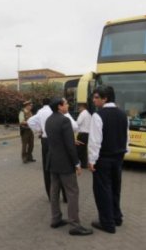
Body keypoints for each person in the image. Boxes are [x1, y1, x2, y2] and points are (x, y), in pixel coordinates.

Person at [45, 98, 93, 236]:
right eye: (65, 103)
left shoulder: (49, 120)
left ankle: (55, 219)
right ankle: (75, 225)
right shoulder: (64, 120)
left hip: (52, 161)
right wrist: (77, 163)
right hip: (65, 163)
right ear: (60, 107)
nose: (68, 105)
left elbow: (56, 140)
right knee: (72, 192)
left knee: (54, 191)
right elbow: (70, 146)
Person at [88, 85, 129, 234]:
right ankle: (117, 217)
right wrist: (125, 152)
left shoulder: (98, 115)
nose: (94, 100)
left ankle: (107, 223)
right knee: (115, 188)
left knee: (102, 190)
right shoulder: (123, 114)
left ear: (105, 98)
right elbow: (126, 137)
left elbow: (94, 141)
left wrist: (92, 160)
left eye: (96, 97)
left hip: (103, 158)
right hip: (118, 157)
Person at [27, 98, 67, 203]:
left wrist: (38, 131)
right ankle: (66, 196)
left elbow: (30, 121)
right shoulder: (55, 111)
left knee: (47, 168)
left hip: (45, 141)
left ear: (42, 103)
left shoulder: (40, 112)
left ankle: (51, 196)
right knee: (62, 167)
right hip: (57, 140)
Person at [76, 103, 92, 168]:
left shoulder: (82, 114)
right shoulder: (89, 114)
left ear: (83, 107)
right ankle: (84, 164)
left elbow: (78, 123)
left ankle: (78, 163)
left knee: (79, 149)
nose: (78, 109)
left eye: (79, 108)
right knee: (84, 150)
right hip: (87, 134)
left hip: (82, 134)